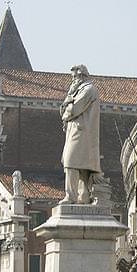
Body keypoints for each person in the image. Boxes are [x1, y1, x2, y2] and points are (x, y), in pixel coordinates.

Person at [60, 64, 101, 205]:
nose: (72, 80)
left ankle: (71, 196)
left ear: (81, 76)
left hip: (82, 132)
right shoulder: (78, 90)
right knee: (81, 164)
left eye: (74, 77)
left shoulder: (89, 89)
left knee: (71, 162)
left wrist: (67, 108)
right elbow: (65, 109)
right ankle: (83, 197)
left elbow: (74, 109)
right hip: (77, 131)